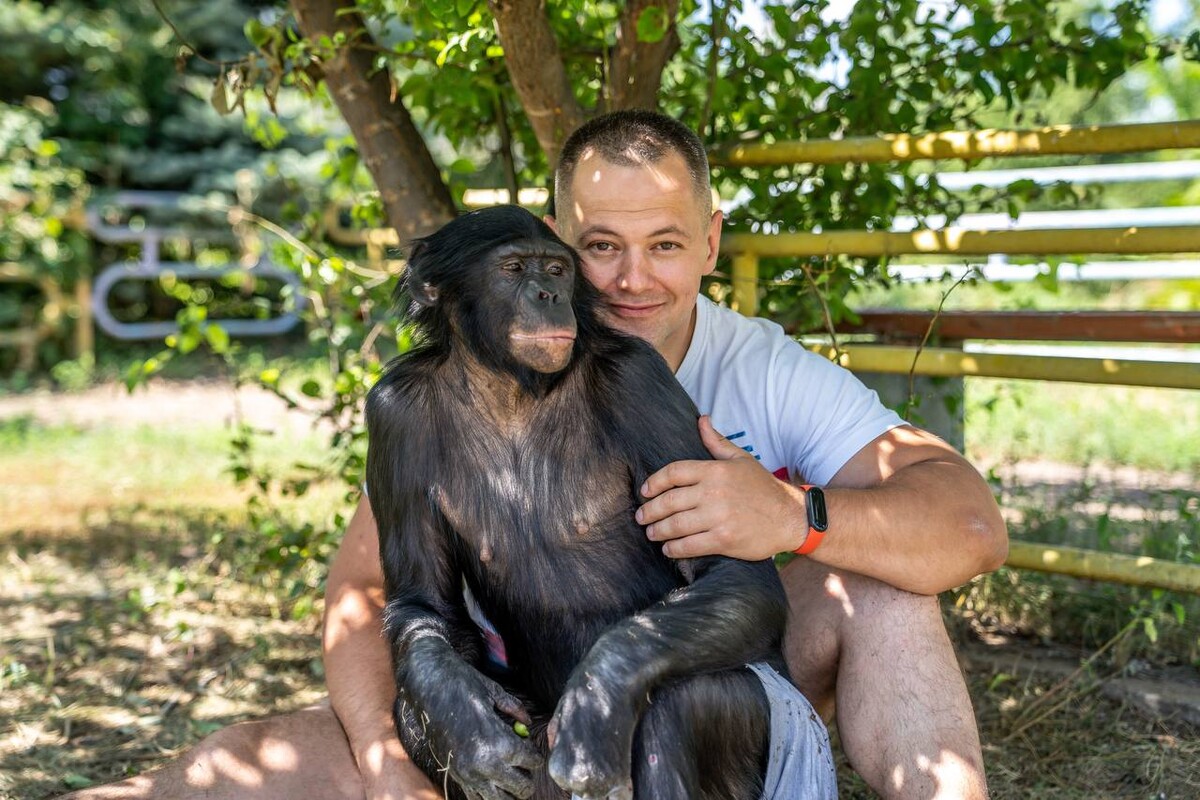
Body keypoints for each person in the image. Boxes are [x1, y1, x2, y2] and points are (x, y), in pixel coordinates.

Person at [62, 110, 1007, 800]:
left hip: (707, 696)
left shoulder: (726, 369)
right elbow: (376, 604)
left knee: (886, 579)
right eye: (599, 247)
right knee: (247, 762)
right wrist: (398, 765)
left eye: (667, 244)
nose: (632, 279)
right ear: (552, 244)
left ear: (711, 243)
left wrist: (793, 520)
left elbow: (965, 525)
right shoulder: (434, 398)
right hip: (519, 696)